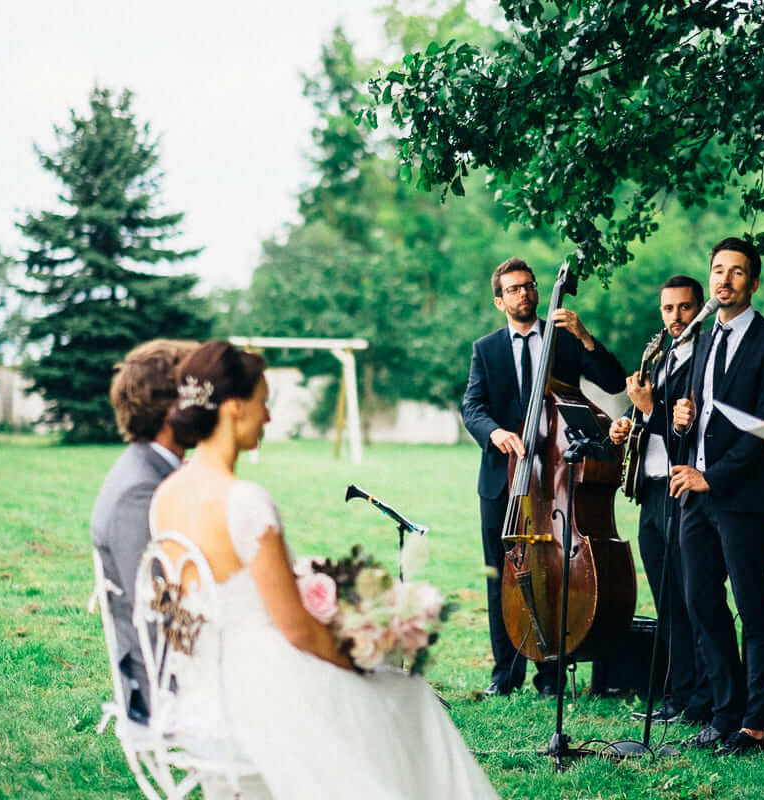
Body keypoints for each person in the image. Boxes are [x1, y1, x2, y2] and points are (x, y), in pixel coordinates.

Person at [152, 341, 498, 799]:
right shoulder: (246, 502)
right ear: (234, 408)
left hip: (198, 685)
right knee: (410, 698)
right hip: (259, 694)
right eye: (263, 403)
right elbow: (298, 631)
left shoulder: (166, 494)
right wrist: (357, 663)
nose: (270, 418)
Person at [461, 257, 627, 697]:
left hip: (557, 476)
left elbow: (613, 383)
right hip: (505, 479)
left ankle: (551, 671)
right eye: (513, 289)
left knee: (555, 569)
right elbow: (472, 407)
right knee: (503, 572)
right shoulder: (487, 349)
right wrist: (495, 432)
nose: (524, 294)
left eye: (529, 286)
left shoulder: (564, 341)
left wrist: (584, 336)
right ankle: (506, 672)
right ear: (500, 301)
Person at [670, 237, 764, 756]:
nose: (725, 280)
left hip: (742, 495)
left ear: (754, 282)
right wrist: (681, 416)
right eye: (719, 270)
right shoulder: (702, 339)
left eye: (737, 272)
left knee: (752, 604)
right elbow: (700, 415)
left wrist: (713, 478)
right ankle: (725, 714)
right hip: (696, 492)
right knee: (701, 601)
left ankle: (756, 724)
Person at [607, 275, 711, 725]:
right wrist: (627, 424)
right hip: (650, 492)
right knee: (667, 601)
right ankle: (678, 694)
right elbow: (651, 420)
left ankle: (703, 696)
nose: (675, 317)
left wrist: (649, 410)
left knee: (695, 599)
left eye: (684, 308)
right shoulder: (663, 357)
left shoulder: (705, 359)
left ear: (699, 309)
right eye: (668, 309)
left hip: (682, 491)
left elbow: (689, 430)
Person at [91, 338, 198, 722]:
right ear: (173, 408)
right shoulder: (139, 488)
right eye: (197, 396)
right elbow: (155, 610)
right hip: (160, 684)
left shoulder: (159, 469)